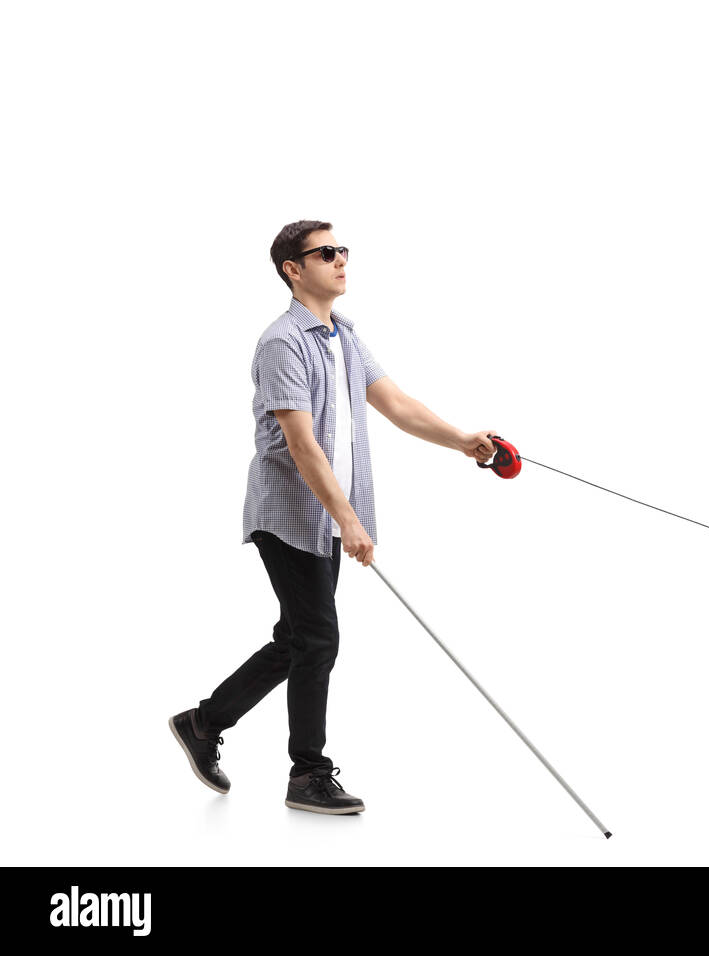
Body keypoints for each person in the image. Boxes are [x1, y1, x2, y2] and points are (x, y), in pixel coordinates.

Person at [169, 219, 497, 814]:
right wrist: (348, 520)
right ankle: (307, 775)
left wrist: (461, 439)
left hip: (327, 516)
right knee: (319, 639)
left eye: (342, 249)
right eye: (326, 253)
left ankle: (204, 722)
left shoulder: (343, 336)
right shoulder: (280, 343)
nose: (341, 259)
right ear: (294, 270)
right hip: (290, 514)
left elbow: (396, 404)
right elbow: (300, 444)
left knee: (298, 638)